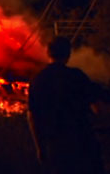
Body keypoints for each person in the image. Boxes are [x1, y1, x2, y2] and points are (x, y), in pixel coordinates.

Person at [27, 36, 104, 174]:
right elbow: (97, 108)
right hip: (81, 140)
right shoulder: (77, 76)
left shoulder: (37, 79)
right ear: (69, 54)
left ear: (48, 53)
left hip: (54, 143)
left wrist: (40, 147)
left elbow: (32, 116)